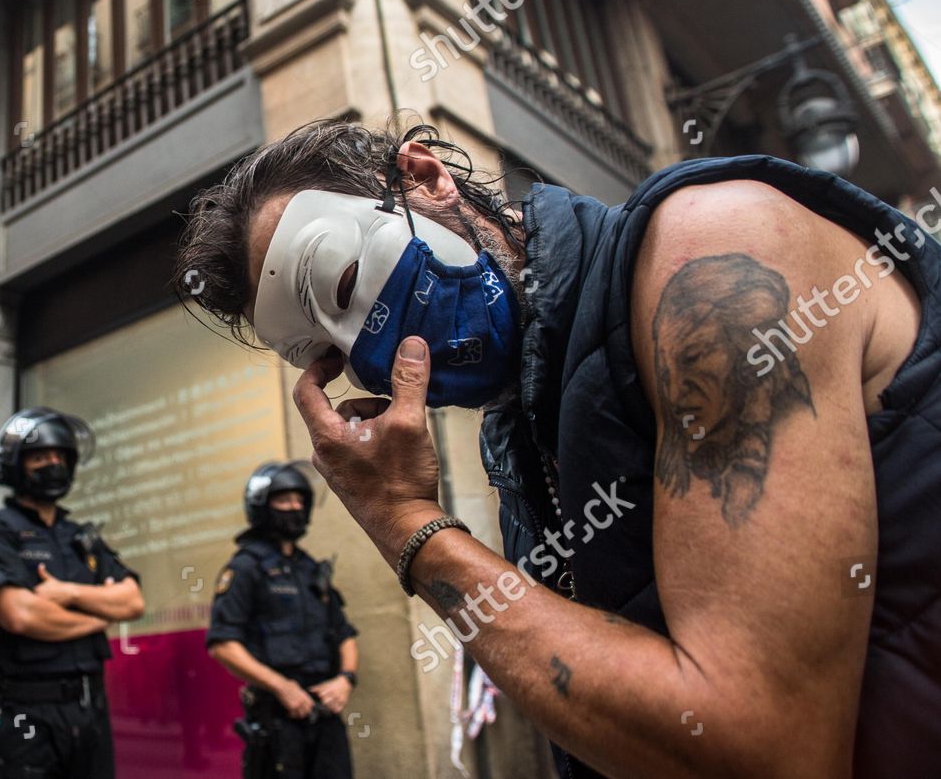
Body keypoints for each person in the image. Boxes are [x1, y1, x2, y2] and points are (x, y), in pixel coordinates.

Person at [174, 119, 941, 778]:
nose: (362, 352)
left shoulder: (712, 250)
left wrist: (409, 525)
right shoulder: (524, 428)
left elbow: (765, 750)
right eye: (323, 350)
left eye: (341, 283)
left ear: (424, 175)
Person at [0, 407, 145, 779]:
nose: (53, 464)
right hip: (25, 715)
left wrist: (66, 592)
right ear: (14, 464)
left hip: (90, 707)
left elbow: (132, 601)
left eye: (61, 456)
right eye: (40, 457)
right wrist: (101, 614)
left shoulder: (81, 537)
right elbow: (21, 615)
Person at [207, 461, 358, 779]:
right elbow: (223, 645)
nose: (295, 507)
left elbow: (344, 633)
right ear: (261, 505)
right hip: (277, 717)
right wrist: (282, 687)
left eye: (299, 500)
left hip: (325, 716)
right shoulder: (246, 568)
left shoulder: (311, 569)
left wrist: (345, 679)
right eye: (283, 500)